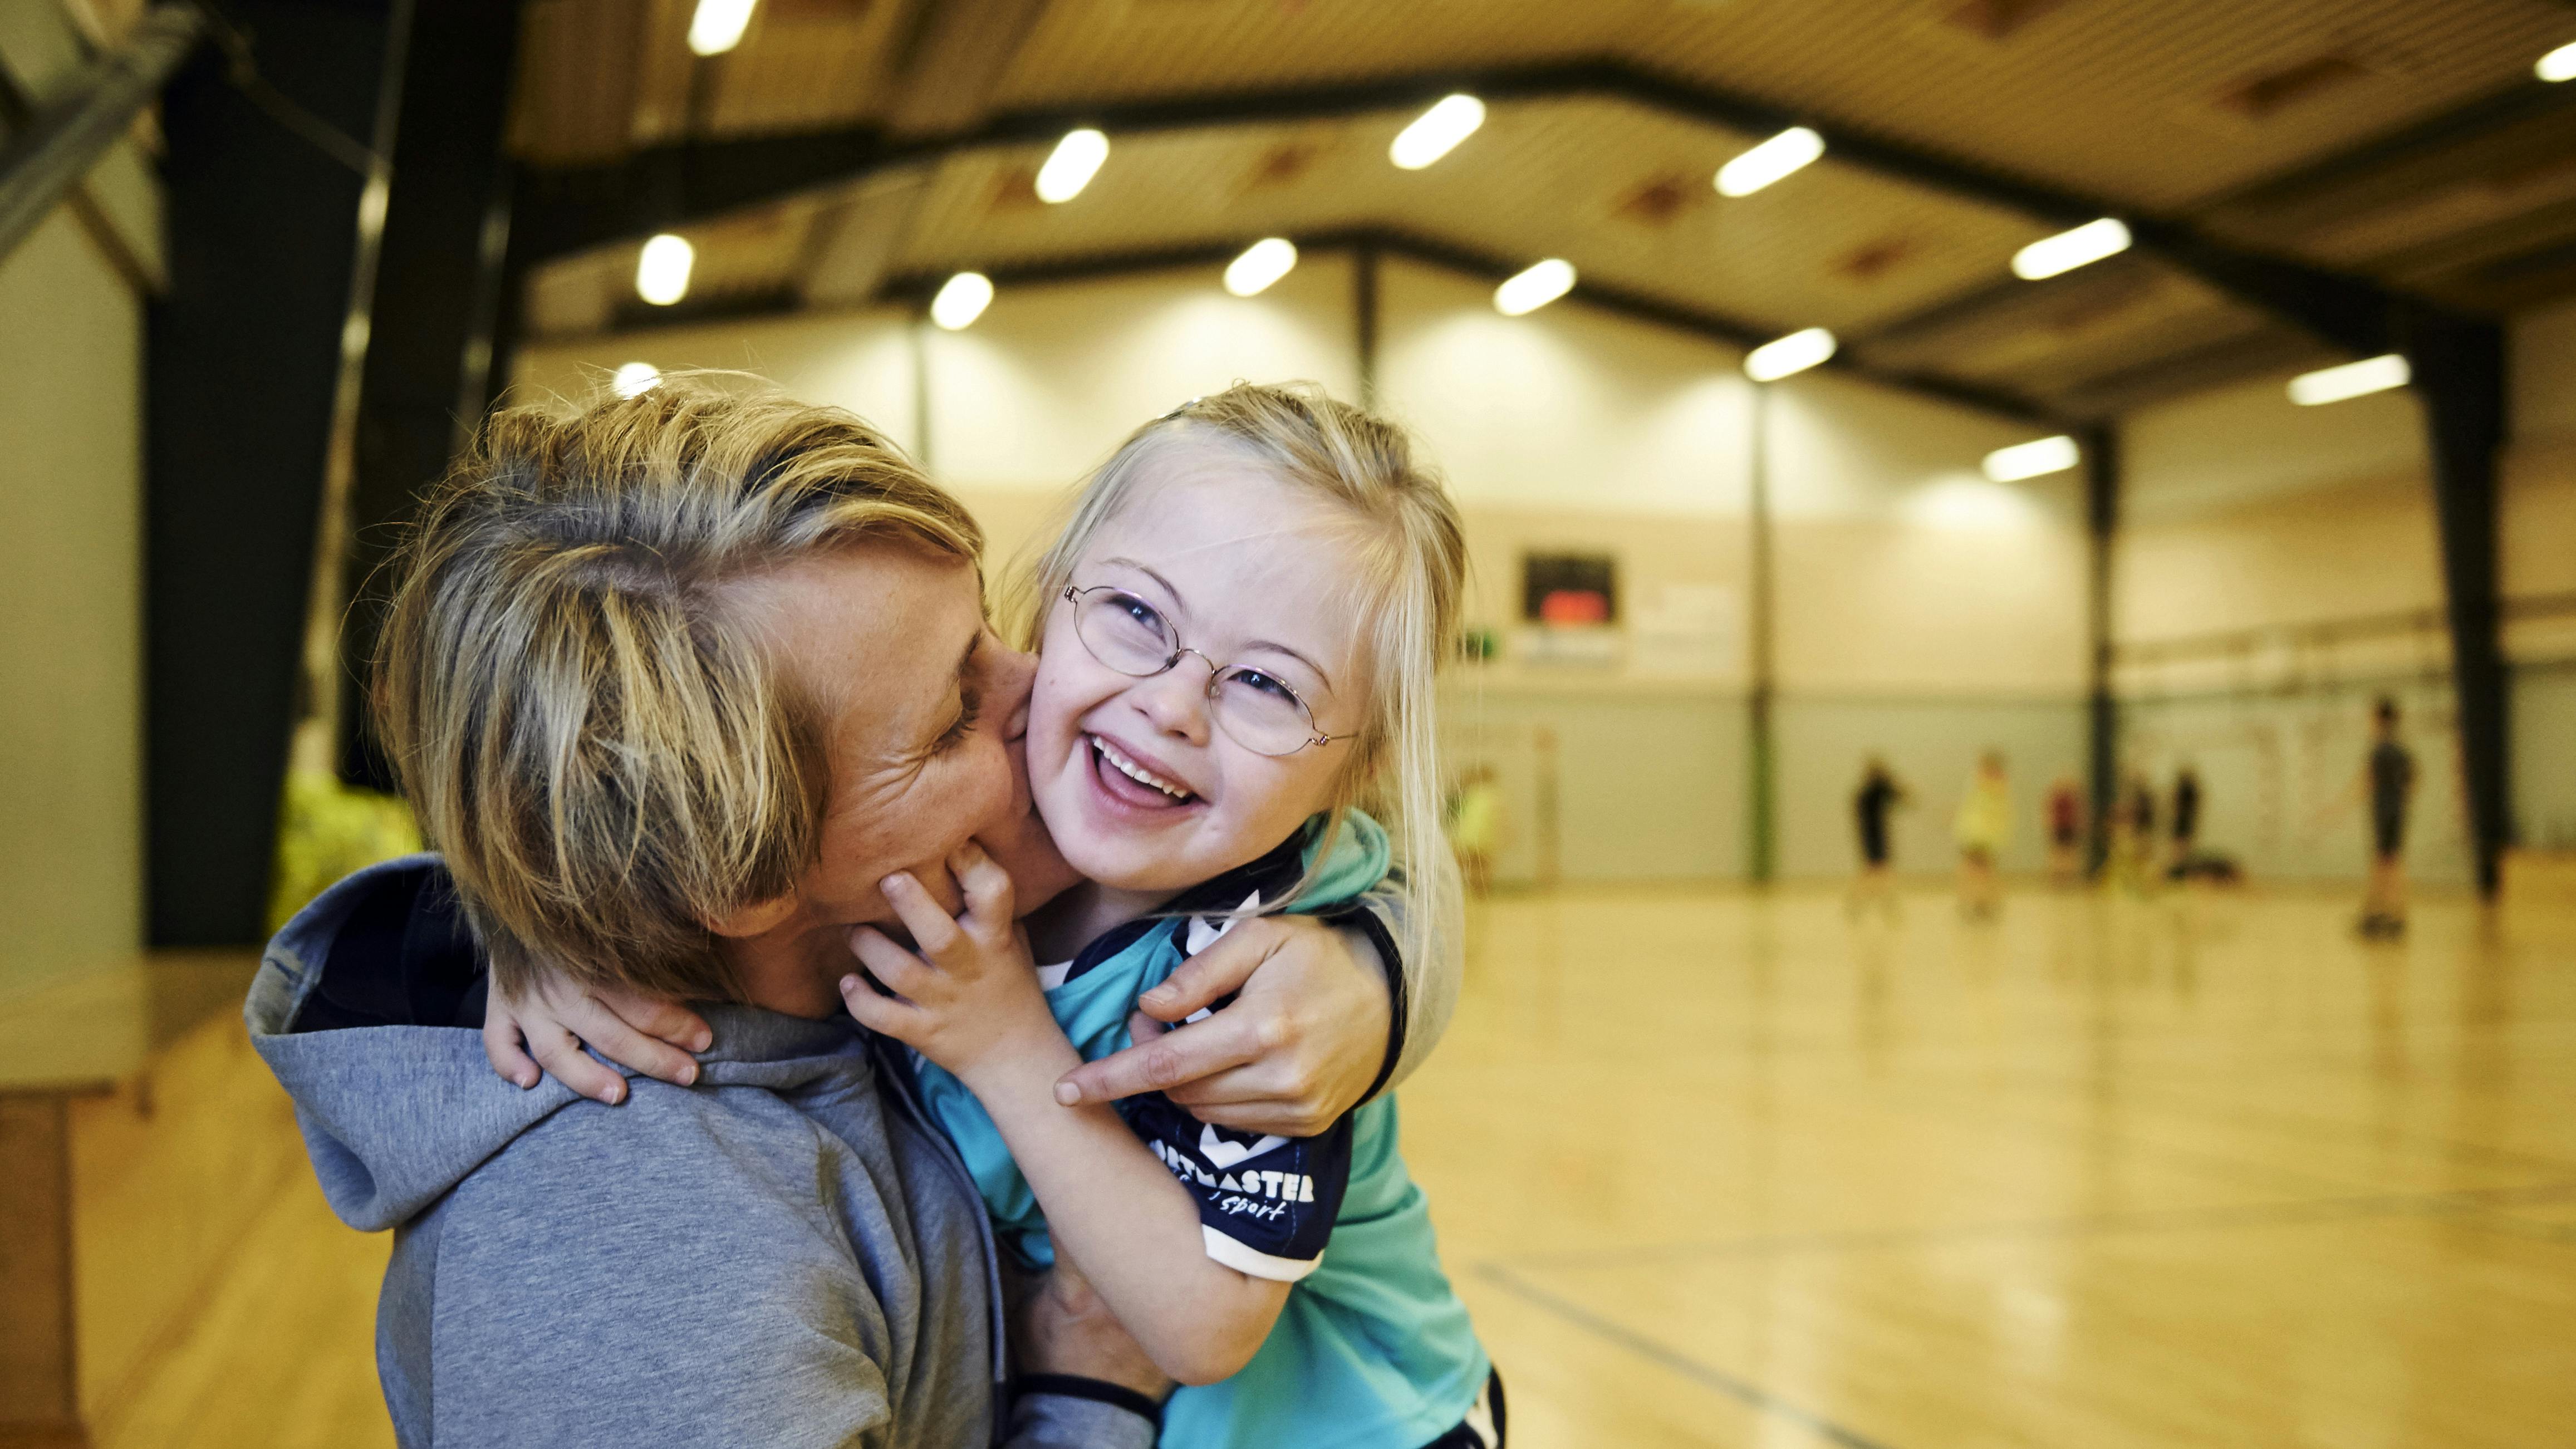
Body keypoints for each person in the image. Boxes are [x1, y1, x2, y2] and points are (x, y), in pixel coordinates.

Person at [246, 387, 1451, 1447]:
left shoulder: (947, 956)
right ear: (736, 876)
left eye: (994, 632)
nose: (1060, 699)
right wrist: (1092, 1398)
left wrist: (1383, 975)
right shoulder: (652, 1286)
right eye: (951, 714)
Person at [2361, 698, 2415, 937]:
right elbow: (2413, 779)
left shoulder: (2380, 749)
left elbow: (2367, 782)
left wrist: (2335, 808)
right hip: (2397, 811)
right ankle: (2388, 913)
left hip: (2384, 812)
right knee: (2391, 861)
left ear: (2380, 720)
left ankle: (2381, 913)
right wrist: (2401, 800)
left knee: (2384, 862)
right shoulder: (2401, 750)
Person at [1954, 751, 2011, 919]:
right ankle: (1978, 903)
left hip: (1981, 834)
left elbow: (1993, 811)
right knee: (1979, 870)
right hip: (1979, 834)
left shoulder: (1989, 784)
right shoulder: (1989, 784)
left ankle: (1979, 902)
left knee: (1977, 870)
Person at [1849, 757, 1907, 918]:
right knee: (1877, 870)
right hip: (1876, 835)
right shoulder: (1877, 789)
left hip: (1869, 835)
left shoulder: (1864, 792)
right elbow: (1905, 798)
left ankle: (1882, 903)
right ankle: (1884, 904)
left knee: (1875, 870)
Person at [1446, 764, 1504, 896]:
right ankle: (1480, 894)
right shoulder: (1491, 796)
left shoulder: (1471, 794)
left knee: (1468, 867)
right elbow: (1499, 818)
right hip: (1483, 839)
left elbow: (1461, 819)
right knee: (1482, 869)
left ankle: (1470, 892)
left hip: (1467, 838)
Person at [2045, 775, 2084, 886]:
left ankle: (2067, 877)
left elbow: (2078, 814)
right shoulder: (2057, 797)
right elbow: (2049, 812)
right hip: (2059, 827)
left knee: (2069, 852)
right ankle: (2059, 877)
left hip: (2070, 827)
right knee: (2059, 852)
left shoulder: (2073, 798)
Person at [2168, 766, 2202, 878]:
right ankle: (2180, 870)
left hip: (2183, 822)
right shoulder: (2191, 790)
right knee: (2181, 847)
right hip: (2184, 822)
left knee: (2181, 847)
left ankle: (2180, 871)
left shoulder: (2187, 790)